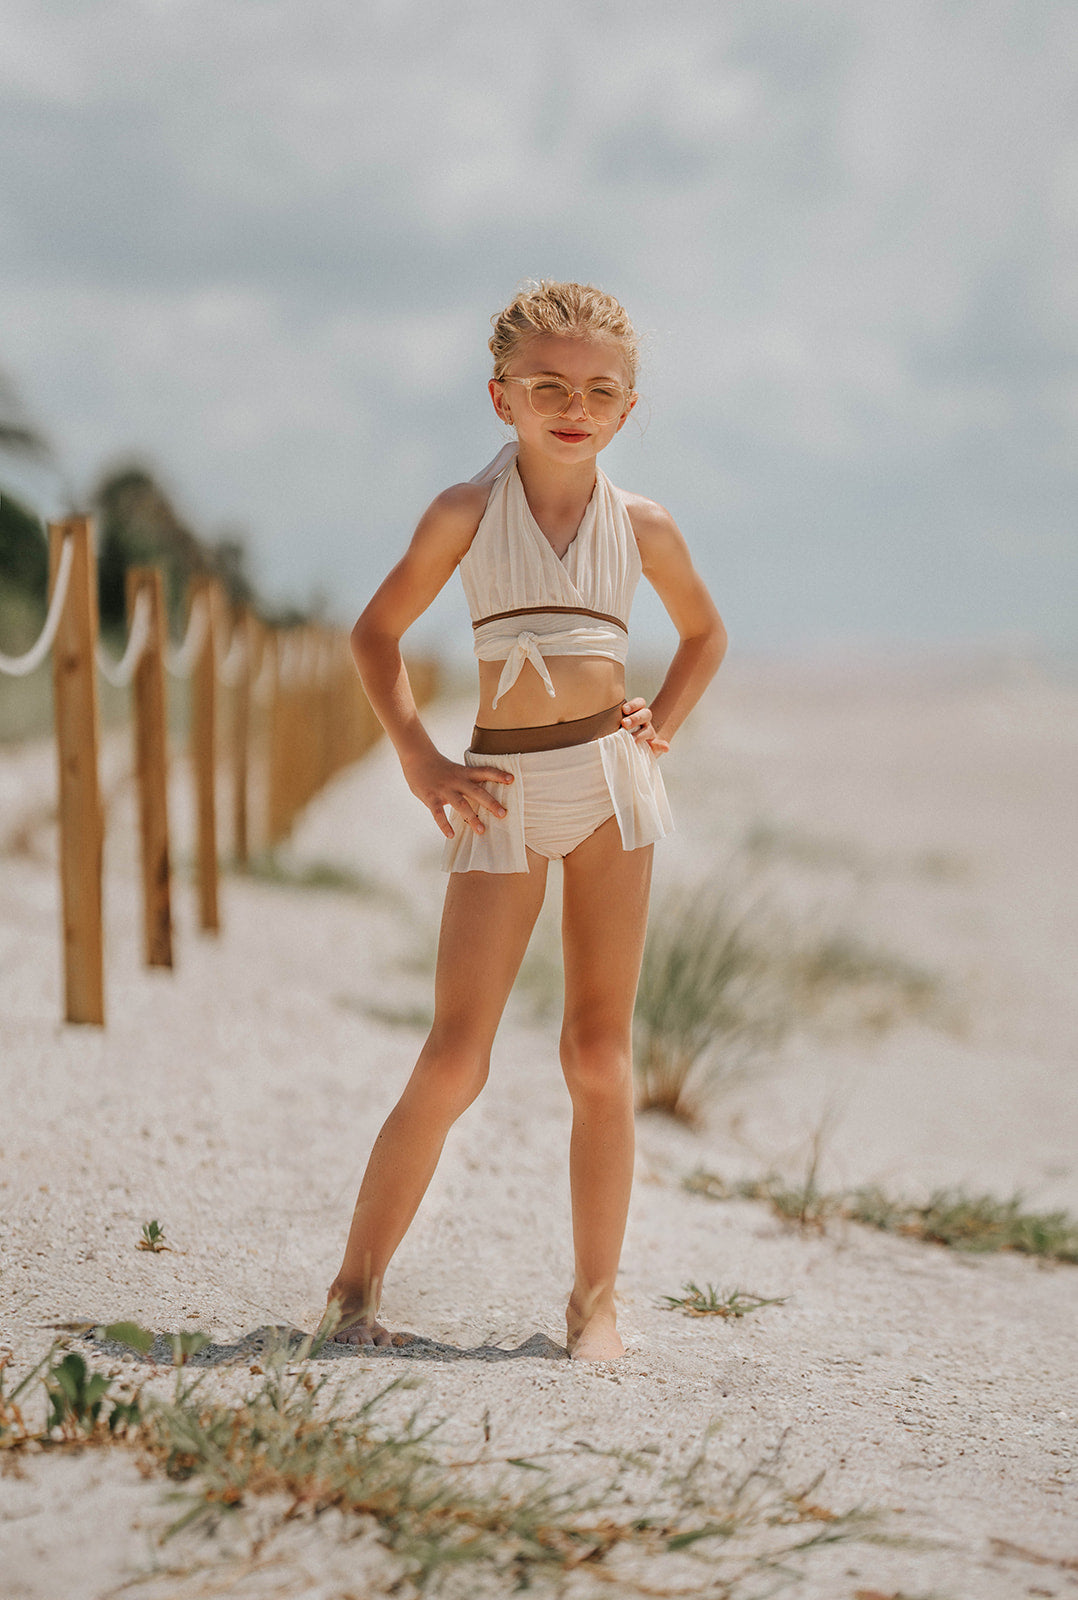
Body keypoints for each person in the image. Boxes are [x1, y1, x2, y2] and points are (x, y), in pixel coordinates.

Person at [327, 281, 726, 1361]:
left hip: (607, 789)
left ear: (628, 410)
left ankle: (594, 1301)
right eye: (547, 384)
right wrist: (419, 755)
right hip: (497, 790)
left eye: (599, 390)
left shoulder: (643, 526)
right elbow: (375, 634)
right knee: (457, 1056)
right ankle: (353, 1289)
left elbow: (703, 635)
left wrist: (662, 722)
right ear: (500, 396)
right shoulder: (465, 511)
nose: (573, 404)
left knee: (598, 1056)